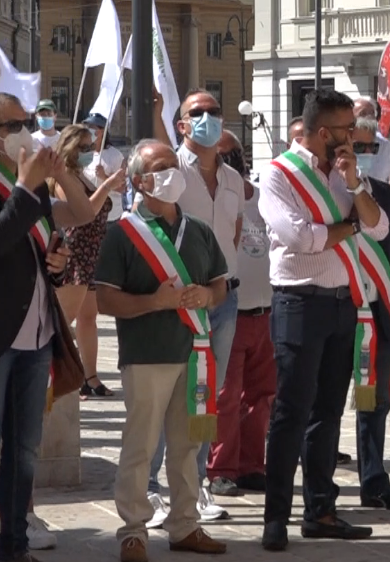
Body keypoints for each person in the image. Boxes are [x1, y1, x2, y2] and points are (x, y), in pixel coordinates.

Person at [0, 92, 93, 562]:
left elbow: (60, 229)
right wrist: (27, 187)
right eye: (15, 125)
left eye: (29, 121)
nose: (27, 130)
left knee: (24, 449)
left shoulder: (31, 184)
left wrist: (55, 258)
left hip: (36, 332)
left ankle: (15, 545)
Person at [258, 88, 384, 551]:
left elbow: (379, 225)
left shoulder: (342, 173)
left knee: (328, 412)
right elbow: (300, 238)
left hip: (341, 302)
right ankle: (275, 517)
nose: (355, 136)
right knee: (291, 411)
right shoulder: (278, 174)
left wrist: (353, 187)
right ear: (325, 132)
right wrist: (347, 227)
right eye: (348, 129)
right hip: (298, 302)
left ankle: (321, 510)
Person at [98, 140, 229, 562]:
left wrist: (206, 298)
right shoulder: (122, 233)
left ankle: (185, 524)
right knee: (141, 445)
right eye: (159, 167)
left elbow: (220, 285)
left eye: (173, 165)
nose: (171, 172)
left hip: (195, 353)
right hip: (147, 353)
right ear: (139, 180)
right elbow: (105, 300)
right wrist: (154, 302)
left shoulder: (200, 230)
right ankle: (133, 530)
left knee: (187, 444)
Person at [143, 89, 244, 521]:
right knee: (165, 394)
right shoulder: (171, 171)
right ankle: (149, 486)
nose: (209, 118)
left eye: (214, 111)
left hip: (222, 297)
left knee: (205, 394)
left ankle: (195, 483)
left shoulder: (234, 179)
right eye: (197, 113)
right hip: (179, 299)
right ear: (181, 124)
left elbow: (234, 234)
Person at [345, 114, 390, 511]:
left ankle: (373, 480)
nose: (367, 153)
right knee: (323, 401)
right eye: (359, 147)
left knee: (374, 400)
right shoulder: (328, 189)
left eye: (374, 147)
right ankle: (316, 488)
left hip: (377, 307)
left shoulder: (385, 196)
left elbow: (385, 249)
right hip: (338, 306)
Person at [208, 132, 277, 496]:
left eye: (233, 153)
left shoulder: (265, 197)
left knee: (262, 395)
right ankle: (221, 468)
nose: (229, 160)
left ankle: (253, 465)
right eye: (220, 156)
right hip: (231, 310)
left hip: (267, 312)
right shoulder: (217, 199)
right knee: (227, 395)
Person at [51, 125, 126, 398]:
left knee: (88, 318)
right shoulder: (63, 178)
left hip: (91, 254)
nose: (88, 152)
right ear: (69, 147)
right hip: (75, 256)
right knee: (63, 322)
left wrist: (105, 182)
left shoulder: (80, 174)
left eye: (89, 147)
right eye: (82, 147)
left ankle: (89, 377)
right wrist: (106, 186)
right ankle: (56, 379)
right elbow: (84, 212)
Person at [353, 98, 390, 192]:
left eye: (372, 113)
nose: (368, 117)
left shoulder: (385, 145)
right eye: (363, 114)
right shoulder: (341, 143)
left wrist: (388, 198)